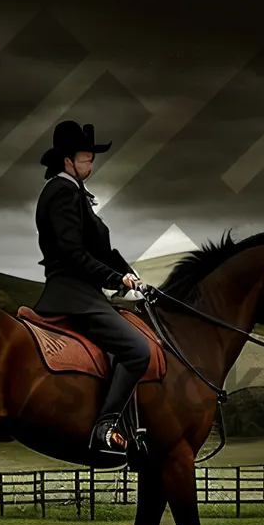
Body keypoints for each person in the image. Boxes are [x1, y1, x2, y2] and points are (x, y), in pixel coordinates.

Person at [33, 119, 151, 454]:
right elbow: (73, 254)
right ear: (67, 161)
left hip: (82, 291)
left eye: (91, 159)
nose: (91, 164)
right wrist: (116, 280)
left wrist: (131, 276)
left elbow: (101, 250)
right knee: (138, 350)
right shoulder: (62, 192)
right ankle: (105, 427)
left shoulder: (73, 193)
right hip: (74, 295)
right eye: (86, 159)